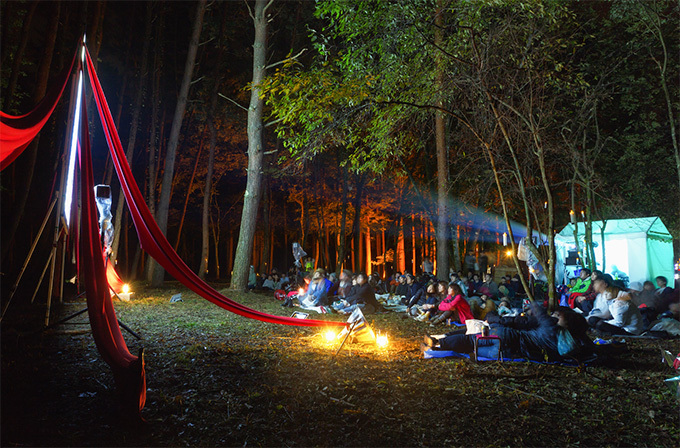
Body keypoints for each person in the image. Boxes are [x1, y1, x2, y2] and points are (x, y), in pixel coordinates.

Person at [422, 302, 593, 362]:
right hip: (512, 346)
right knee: (471, 345)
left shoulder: (551, 327)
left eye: (559, 315)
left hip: (509, 335)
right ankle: (437, 346)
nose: (555, 316)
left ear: (567, 323)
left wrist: (535, 305)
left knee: (471, 341)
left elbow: (537, 309)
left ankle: (438, 344)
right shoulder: (568, 341)